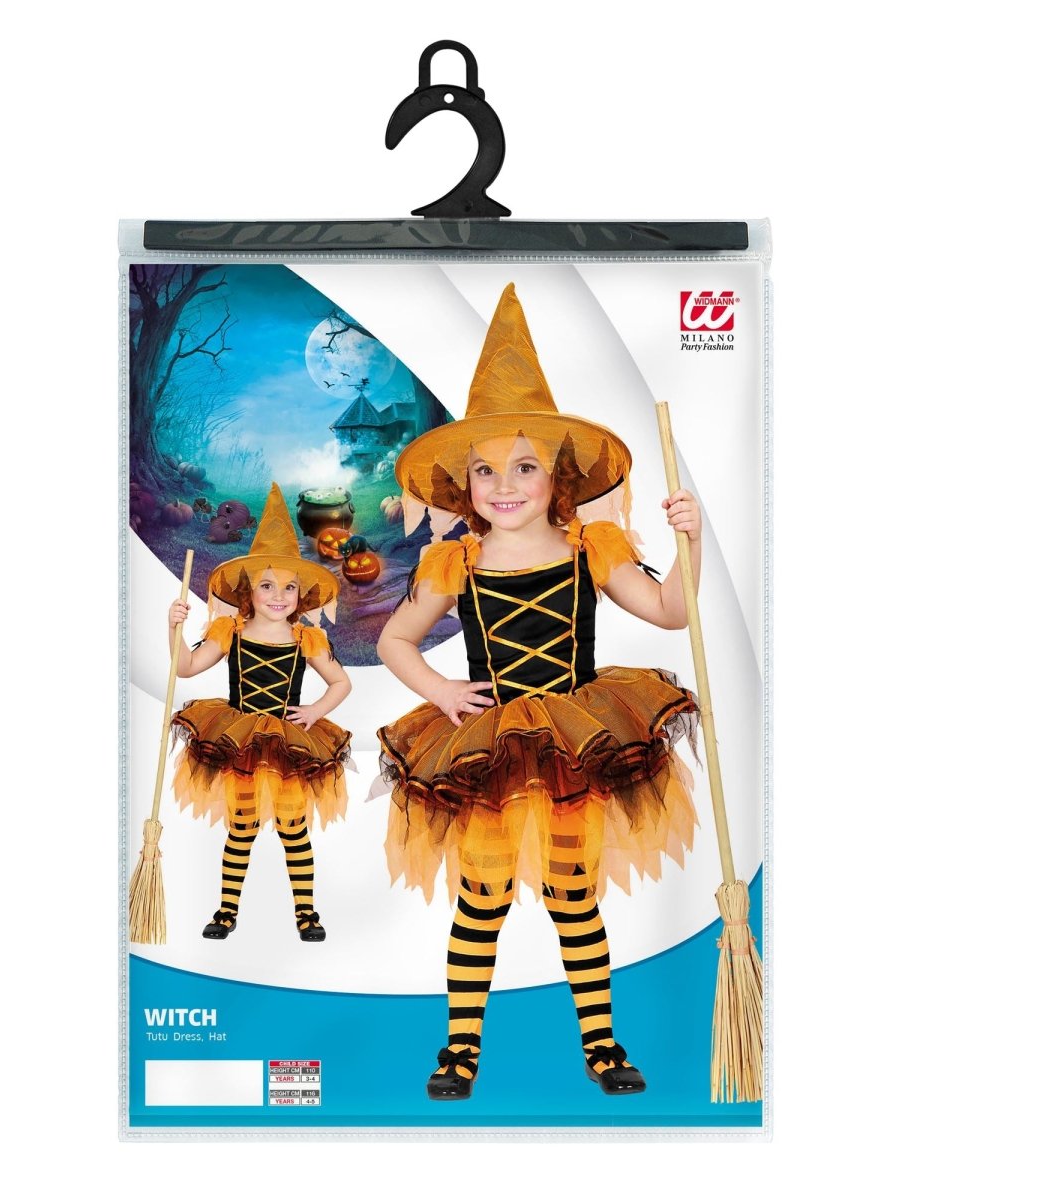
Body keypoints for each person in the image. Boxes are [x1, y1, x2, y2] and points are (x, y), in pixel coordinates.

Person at [376, 284, 701, 1099]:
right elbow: (393, 640)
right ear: (465, 484)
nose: (505, 484)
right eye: (486, 470)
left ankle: (602, 1044)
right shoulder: (456, 560)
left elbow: (671, 612)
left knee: (573, 898)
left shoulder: (594, 545)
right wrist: (442, 691)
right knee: (480, 901)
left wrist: (690, 543)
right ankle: (460, 1049)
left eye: (525, 466)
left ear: (558, 476)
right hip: (487, 751)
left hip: (577, 745)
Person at [169, 482, 351, 943]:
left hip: (289, 745)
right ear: (248, 590)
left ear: (301, 594)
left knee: (294, 830)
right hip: (239, 742)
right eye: (267, 585)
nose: (278, 595)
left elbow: (341, 683)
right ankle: (226, 910)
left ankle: (306, 912)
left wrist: (314, 711)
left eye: (289, 587)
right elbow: (186, 667)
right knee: (241, 829)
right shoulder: (229, 630)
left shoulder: (306, 638)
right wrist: (174, 629)